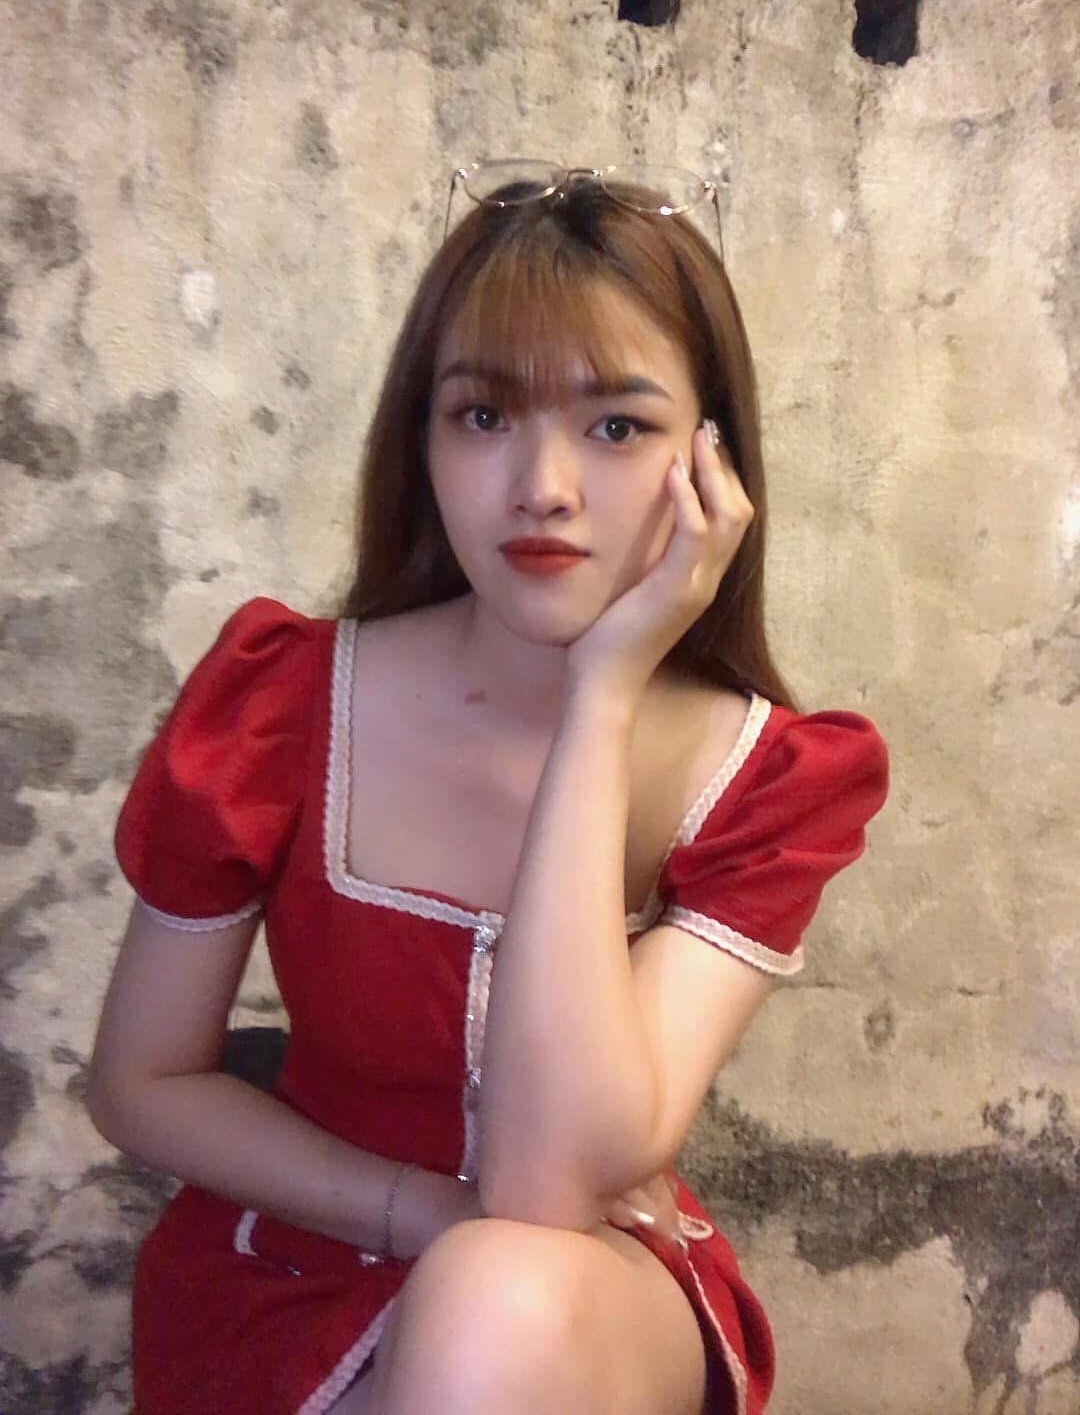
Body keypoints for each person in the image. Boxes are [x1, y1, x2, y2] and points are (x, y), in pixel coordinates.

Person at [88, 160, 889, 1415]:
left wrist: (603, 695)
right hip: (295, 1263)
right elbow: (141, 1082)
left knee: (498, 1295)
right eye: (482, 415)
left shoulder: (773, 778)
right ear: (422, 438)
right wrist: (420, 1213)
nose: (543, 487)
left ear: (712, 462)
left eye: (617, 426)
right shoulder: (279, 701)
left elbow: (545, 1184)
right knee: (478, 1284)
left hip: (584, 1297)